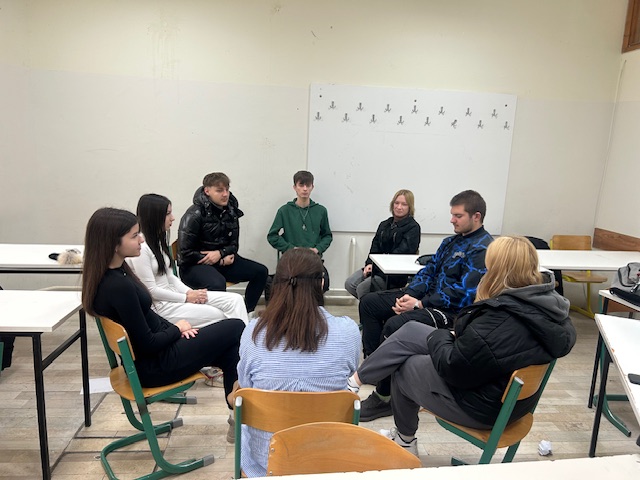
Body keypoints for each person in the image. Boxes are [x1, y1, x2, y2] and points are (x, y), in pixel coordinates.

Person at [347, 236, 577, 454]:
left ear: (499, 272)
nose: (484, 273)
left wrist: (442, 336)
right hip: (508, 400)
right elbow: (484, 350)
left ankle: (405, 440)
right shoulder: (545, 308)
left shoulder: (499, 319)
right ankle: (355, 382)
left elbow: (453, 367)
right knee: (412, 330)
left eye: (489, 268)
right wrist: (454, 335)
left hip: (483, 408)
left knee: (406, 365)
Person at [82, 207, 245, 442]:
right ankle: (239, 418)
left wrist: (177, 329)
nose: (141, 240)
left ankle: (236, 420)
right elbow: (147, 343)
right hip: (155, 367)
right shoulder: (118, 287)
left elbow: (148, 318)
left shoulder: (116, 273)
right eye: (134, 236)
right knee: (236, 327)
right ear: (113, 243)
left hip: (158, 355)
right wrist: (177, 329)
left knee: (230, 350)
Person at [358, 190, 493, 421]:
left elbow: (464, 294)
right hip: (425, 299)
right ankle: (376, 366)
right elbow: (427, 272)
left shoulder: (483, 249)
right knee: (369, 303)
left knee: (395, 325)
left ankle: (384, 397)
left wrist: (419, 304)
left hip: (451, 312)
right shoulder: (450, 242)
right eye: (452, 214)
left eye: (458, 216)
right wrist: (409, 296)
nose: (452, 220)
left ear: (476, 216)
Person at [236, 248, 360, 477]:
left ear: (277, 284)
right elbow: (351, 374)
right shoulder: (348, 331)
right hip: (330, 460)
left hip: (266, 463)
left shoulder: (254, 332)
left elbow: (246, 385)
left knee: (241, 406)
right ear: (321, 284)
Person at [128, 194, 248, 327]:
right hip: (162, 306)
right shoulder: (141, 249)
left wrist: (190, 292)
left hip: (175, 296)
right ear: (154, 217)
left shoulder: (157, 241)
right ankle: (241, 337)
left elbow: (171, 277)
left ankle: (247, 338)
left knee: (236, 300)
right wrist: (186, 297)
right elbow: (151, 291)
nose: (173, 218)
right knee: (220, 314)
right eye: (168, 214)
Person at [178, 172, 268, 314]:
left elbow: (234, 245)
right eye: (219, 190)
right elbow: (184, 254)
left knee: (261, 272)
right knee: (217, 283)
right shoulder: (194, 214)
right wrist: (219, 259)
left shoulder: (231, 211)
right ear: (207, 191)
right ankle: (219, 318)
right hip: (195, 265)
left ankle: (245, 313)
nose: (225, 194)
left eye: (227, 189)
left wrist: (222, 253)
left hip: (222, 260)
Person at [345, 189, 421, 299]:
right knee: (350, 283)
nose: (399, 207)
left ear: (410, 207)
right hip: (377, 268)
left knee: (363, 288)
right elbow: (375, 246)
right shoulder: (384, 224)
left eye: (404, 204)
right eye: (396, 203)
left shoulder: (413, 228)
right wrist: (369, 264)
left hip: (395, 275)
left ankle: (371, 306)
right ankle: (373, 304)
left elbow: (401, 253)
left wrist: (377, 268)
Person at [267, 170, 332, 292]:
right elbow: (272, 236)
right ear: (295, 187)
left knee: (324, 283)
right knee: (291, 284)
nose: (305, 189)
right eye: (301, 185)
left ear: (312, 187)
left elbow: (327, 236)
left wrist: (317, 249)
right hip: (291, 260)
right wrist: (290, 248)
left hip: (312, 259)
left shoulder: (321, 211)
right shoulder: (284, 210)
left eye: (308, 185)